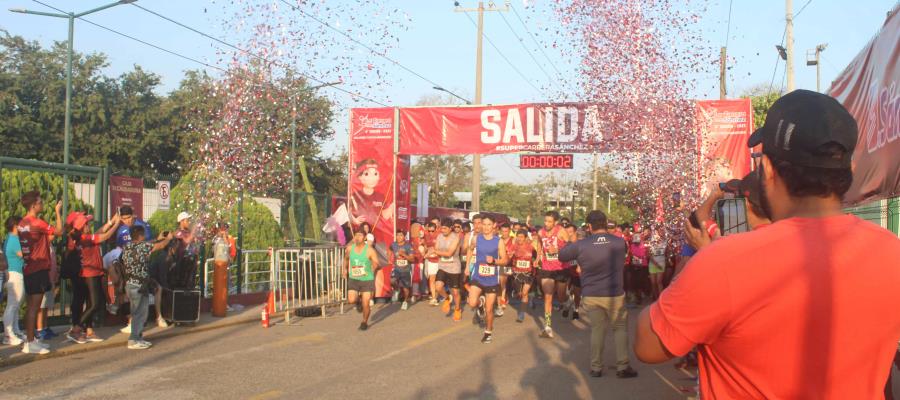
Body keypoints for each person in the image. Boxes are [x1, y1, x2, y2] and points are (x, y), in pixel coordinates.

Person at [635, 90, 900, 398]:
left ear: (769, 169)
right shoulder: (891, 251)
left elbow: (648, 345)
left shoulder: (724, 262)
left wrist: (694, 267)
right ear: (850, 171)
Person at [560, 210, 638, 379]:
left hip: (592, 293)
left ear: (589, 226)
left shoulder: (582, 244)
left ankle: (596, 367)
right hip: (615, 293)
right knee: (620, 328)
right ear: (605, 223)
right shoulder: (619, 242)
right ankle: (622, 366)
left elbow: (562, 256)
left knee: (597, 329)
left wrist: (568, 240)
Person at [66, 211, 120, 344]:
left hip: (91, 274)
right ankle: (76, 329)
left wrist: (111, 221)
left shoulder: (83, 237)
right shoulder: (85, 239)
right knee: (95, 303)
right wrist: (117, 223)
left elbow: (100, 232)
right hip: (91, 274)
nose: (89, 225)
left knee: (92, 303)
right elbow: (105, 235)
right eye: (87, 223)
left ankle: (84, 329)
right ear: (82, 226)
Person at [18, 191, 62, 354]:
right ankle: (30, 342)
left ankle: (32, 339)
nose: (42, 203)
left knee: (31, 306)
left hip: (29, 267)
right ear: (33, 205)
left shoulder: (23, 223)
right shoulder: (37, 223)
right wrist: (58, 212)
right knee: (33, 308)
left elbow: (41, 240)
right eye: (40, 201)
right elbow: (59, 231)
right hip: (38, 268)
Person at [122, 226, 173, 350]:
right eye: (143, 235)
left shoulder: (127, 247)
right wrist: (167, 239)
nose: (145, 237)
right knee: (141, 313)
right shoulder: (143, 247)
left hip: (130, 284)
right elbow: (159, 246)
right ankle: (134, 339)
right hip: (139, 285)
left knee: (136, 312)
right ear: (140, 236)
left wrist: (157, 238)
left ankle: (137, 338)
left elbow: (146, 244)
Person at [465, 215, 508, 344]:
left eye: (489, 224)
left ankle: (488, 332)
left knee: (490, 310)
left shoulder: (498, 241)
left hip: (491, 279)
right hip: (478, 276)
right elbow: (470, 250)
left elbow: (505, 260)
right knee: (472, 303)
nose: (486, 227)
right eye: (484, 224)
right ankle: (480, 304)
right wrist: (467, 266)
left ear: (494, 225)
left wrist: (494, 261)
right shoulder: (477, 238)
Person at [536, 211, 570, 339]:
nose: (546, 223)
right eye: (545, 221)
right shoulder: (540, 232)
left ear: (555, 222)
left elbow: (571, 246)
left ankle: (568, 300)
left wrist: (558, 250)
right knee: (548, 296)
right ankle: (548, 327)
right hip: (547, 268)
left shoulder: (561, 231)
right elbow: (539, 243)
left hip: (561, 268)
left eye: (549, 221)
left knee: (561, 297)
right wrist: (538, 257)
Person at [343, 230, 381, 331]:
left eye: (360, 235)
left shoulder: (369, 250)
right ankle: (357, 301)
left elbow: (376, 262)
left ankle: (364, 322)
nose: (357, 237)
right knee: (351, 300)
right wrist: (344, 269)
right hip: (354, 278)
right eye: (356, 235)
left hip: (367, 279)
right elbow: (346, 259)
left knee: (366, 303)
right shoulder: (350, 248)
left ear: (364, 238)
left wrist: (373, 268)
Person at [432, 218, 462, 321]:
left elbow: (449, 253)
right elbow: (435, 248)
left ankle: (457, 309)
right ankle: (447, 297)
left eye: (445, 229)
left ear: (450, 228)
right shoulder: (439, 236)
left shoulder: (456, 238)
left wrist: (437, 252)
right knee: (438, 287)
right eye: (441, 228)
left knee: (456, 292)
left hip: (454, 268)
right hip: (442, 267)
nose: (442, 230)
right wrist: (434, 252)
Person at [3, 216, 26, 346]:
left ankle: (15, 330)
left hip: (15, 273)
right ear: (16, 226)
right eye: (21, 225)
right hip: (15, 274)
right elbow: (24, 254)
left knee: (15, 305)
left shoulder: (10, 238)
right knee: (13, 305)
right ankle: (8, 335)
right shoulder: (14, 239)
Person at [509, 229, 536, 323]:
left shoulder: (531, 247)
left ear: (525, 238)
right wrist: (510, 256)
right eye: (518, 236)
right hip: (516, 273)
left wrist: (535, 262)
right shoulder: (514, 247)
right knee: (519, 293)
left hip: (529, 273)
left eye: (521, 237)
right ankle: (528, 296)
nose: (519, 239)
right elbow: (508, 257)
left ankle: (521, 313)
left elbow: (536, 259)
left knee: (524, 293)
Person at [388, 230, 415, 310]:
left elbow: (412, 259)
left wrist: (404, 254)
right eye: (397, 235)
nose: (399, 237)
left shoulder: (408, 246)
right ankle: (396, 290)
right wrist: (389, 258)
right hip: (397, 269)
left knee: (406, 288)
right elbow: (389, 249)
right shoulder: (394, 244)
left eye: (401, 235)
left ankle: (405, 301)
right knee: (392, 281)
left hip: (406, 270)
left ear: (404, 237)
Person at [563, 223, 582, 320]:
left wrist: (579, 265)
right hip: (566, 271)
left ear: (575, 232)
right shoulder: (564, 244)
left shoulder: (580, 244)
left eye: (570, 232)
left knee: (577, 293)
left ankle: (576, 310)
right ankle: (568, 302)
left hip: (577, 273)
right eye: (566, 232)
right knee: (565, 292)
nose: (568, 234)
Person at [497, 223, 514, 314]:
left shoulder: (513, 240)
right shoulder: (498, 240)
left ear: (509, 231)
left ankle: (504, 296)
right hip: (501, 264)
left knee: (503, 281)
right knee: (501, 281)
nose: (504, 233)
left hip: (511, 265)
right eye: (502, 231)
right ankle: (503, 298)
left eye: (506, 231)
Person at [422, 222, 440, 305]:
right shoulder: (426, 236)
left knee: (439, 280)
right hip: (431, 261)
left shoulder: (439, 236)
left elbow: (435, 248)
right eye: (429, 231)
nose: (430, 233)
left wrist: (427, 254)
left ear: (436, 229)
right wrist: (423, 249)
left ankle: (441, 295)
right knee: (432, 279)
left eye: (432, 231)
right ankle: (433, 298)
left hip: (440, 260)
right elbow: (426, 246)